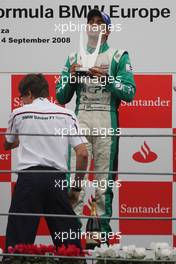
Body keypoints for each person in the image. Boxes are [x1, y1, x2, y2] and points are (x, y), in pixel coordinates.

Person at [56, 9, 136, 236]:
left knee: (103, 182)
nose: (94, 25)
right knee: (75, 180)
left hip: (106, 119)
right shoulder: (74, 57)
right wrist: (71, 78)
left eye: (99, 22)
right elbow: (61, 97)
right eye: (90, 21)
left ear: (108, 31)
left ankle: (100, 239)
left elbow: (129, 92)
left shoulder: (119, 56)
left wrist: (106, 79)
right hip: (81, 118)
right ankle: (71, 238)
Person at [4, 73, 88, 252]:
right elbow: (83, 154)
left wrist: (26, 136)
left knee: (17, 246)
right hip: (56, 180)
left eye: (22, 97)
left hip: (28, 181)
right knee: (70, 246)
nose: (22, 102)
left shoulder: (18, 113)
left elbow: (7, 143)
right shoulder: (67, 114)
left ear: (28, 93)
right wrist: (76, 188)